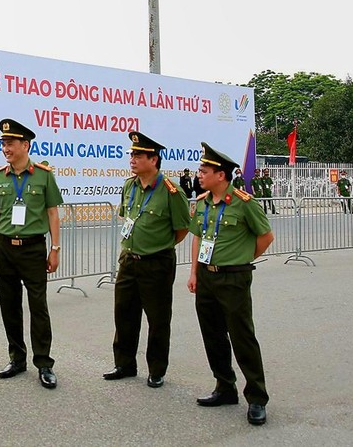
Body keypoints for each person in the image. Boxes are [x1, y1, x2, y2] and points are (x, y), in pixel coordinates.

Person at [187, 143, 273, 426]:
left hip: (234, 277)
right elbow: (198, 238)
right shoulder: (202, 203)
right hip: (206, 276)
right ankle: (224, 386)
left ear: (221, 175)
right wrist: (194, 272)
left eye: (204, 171)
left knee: (242, 336)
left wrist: (241, 259)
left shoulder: (244, 203)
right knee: (212, 335)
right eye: (200, 170)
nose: (199, 175)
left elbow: (266, 237)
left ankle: (257, 397)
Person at [103, 132, 190, 388]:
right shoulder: (129, 186)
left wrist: (158, 246)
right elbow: (126, 216)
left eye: (138, 155)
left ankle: (156, 369)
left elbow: (182, 228)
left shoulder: (171, 192)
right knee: (124, 314)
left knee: (158, 318)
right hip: (129, 260)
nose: (132, 159)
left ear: (153, 160)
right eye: (132, 154)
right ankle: (124, 364)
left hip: (157, 262)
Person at [0, 119, 63, 389]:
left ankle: (44, 363)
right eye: (3, 144)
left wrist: (55, 249)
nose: (5, 148)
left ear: (25, 145)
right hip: (5, 248)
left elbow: (52, 213)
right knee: (10, 305)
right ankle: (17, 358)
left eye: (10, 143)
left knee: (38, 306)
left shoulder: (44, 176)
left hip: (33, 248)